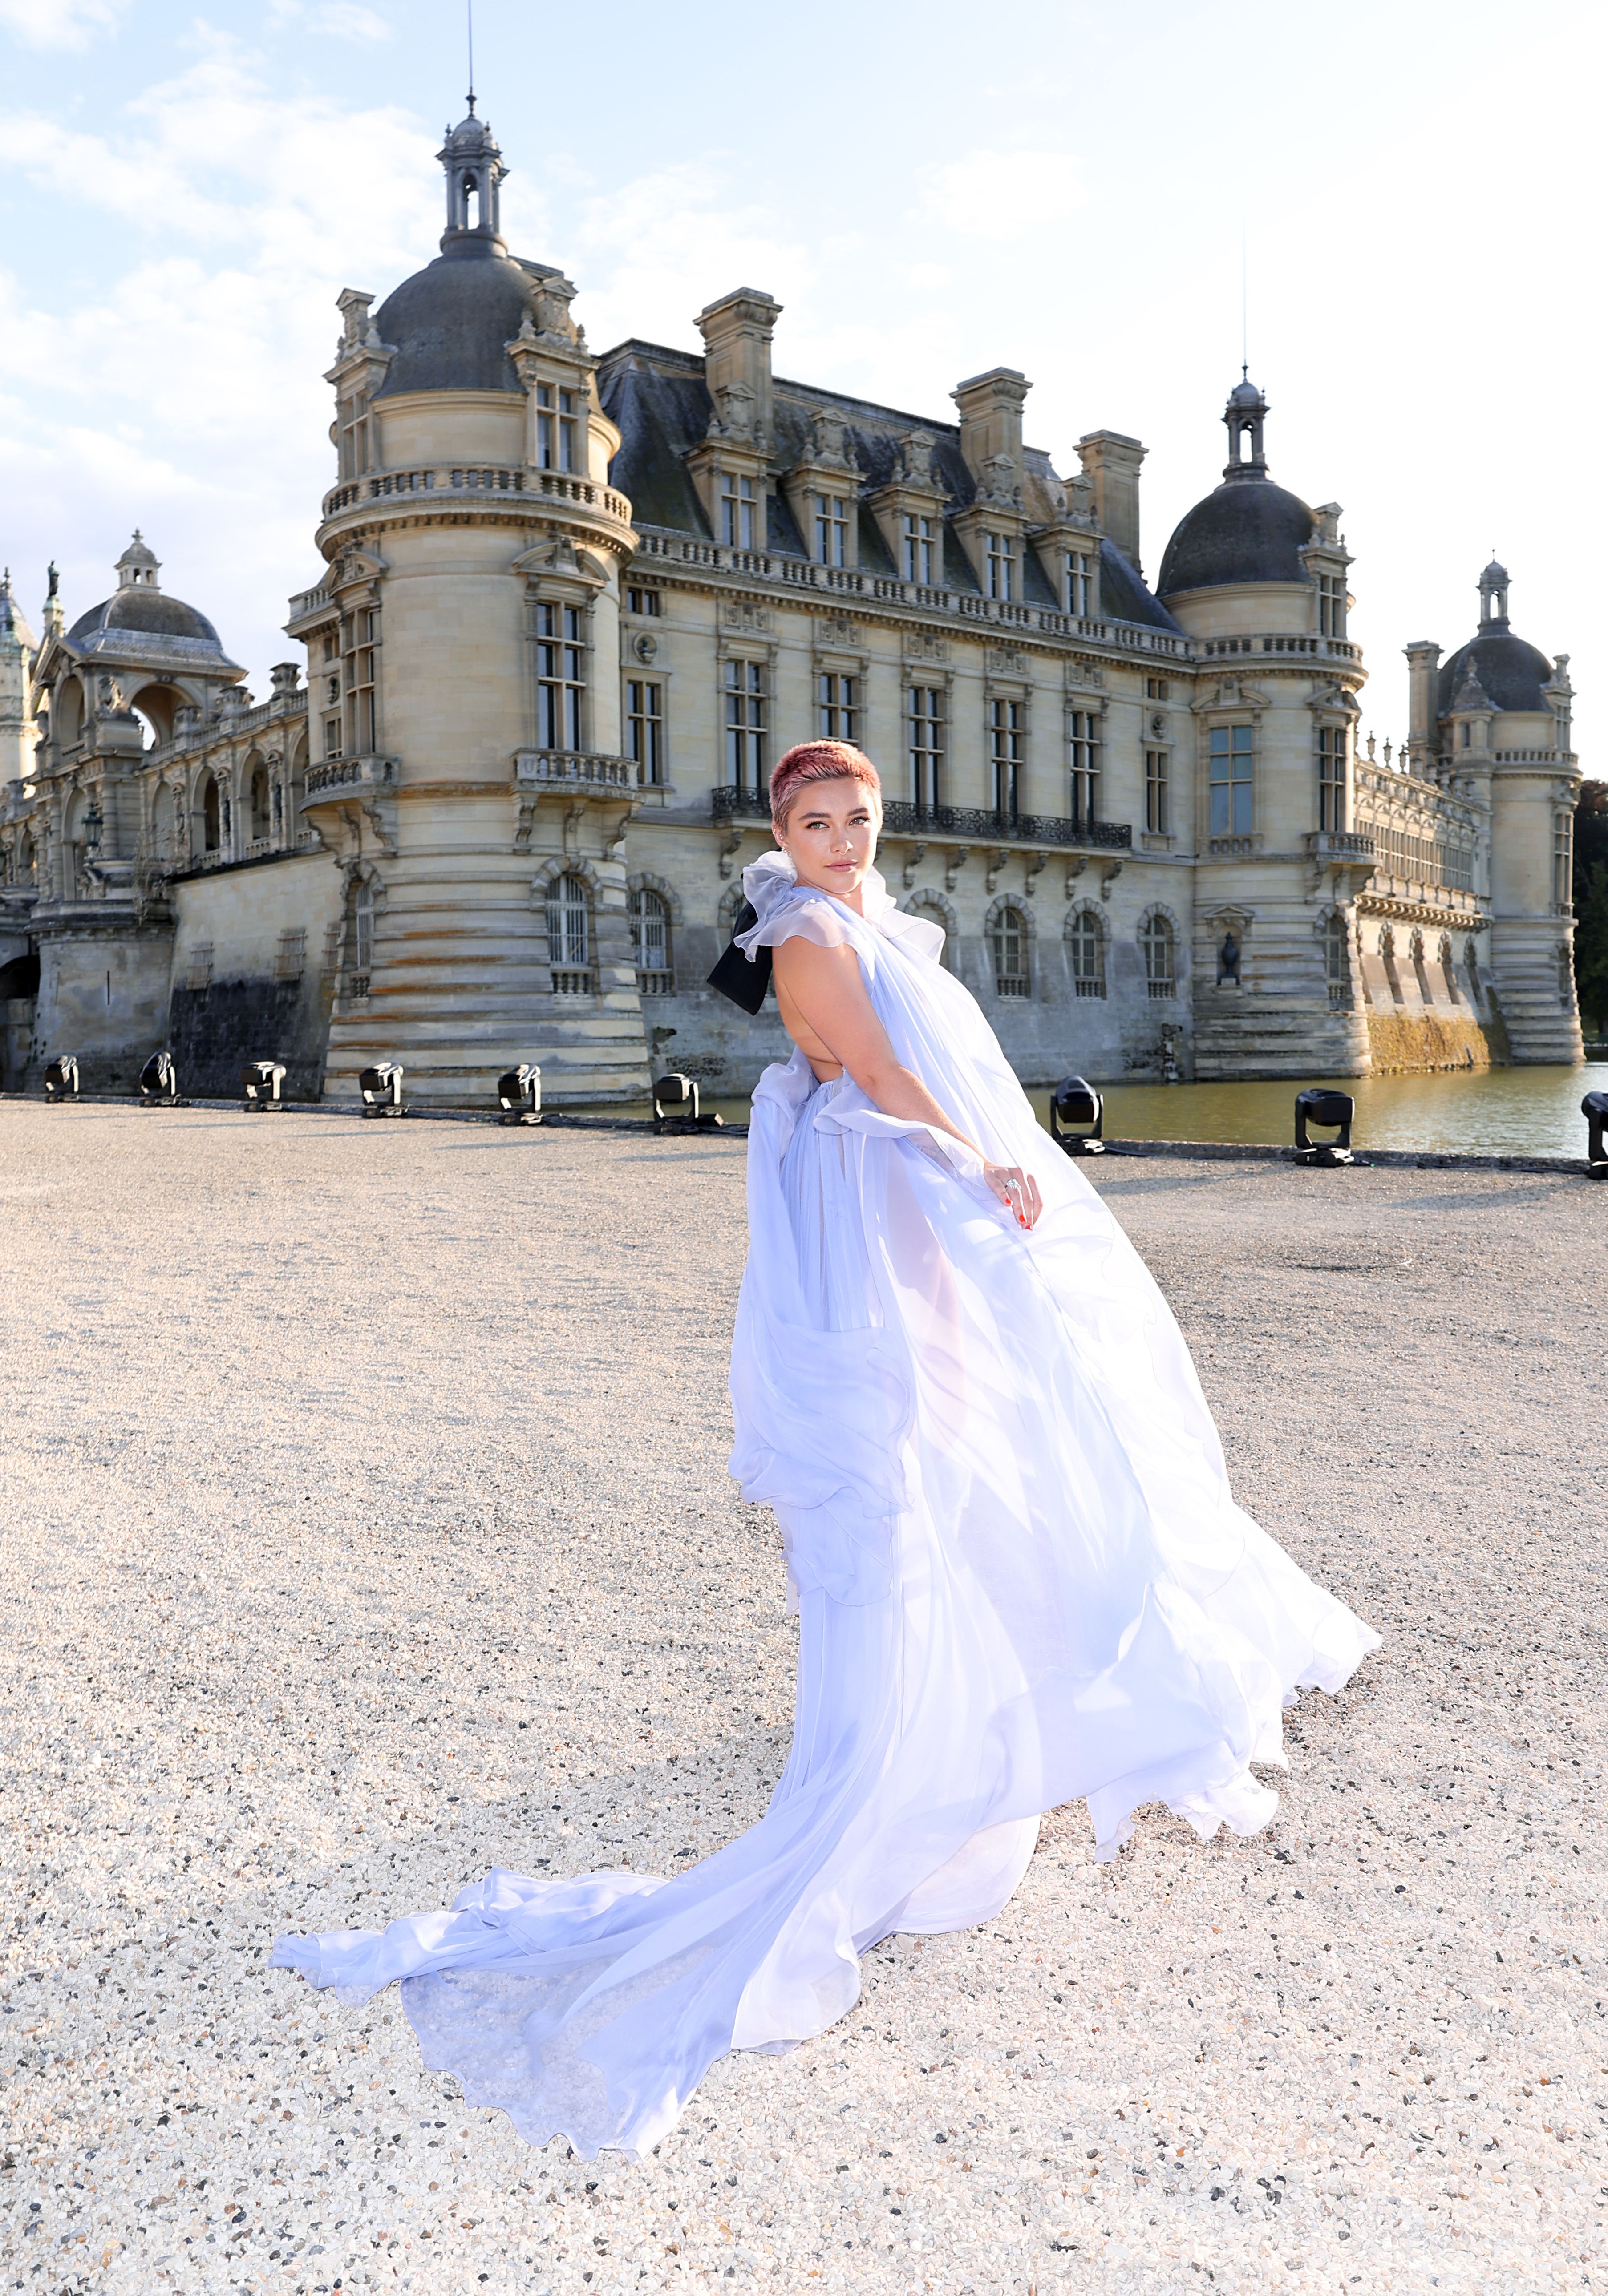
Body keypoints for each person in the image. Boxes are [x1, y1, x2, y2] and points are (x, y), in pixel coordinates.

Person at [271, 739, 1377, 2159]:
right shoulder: (801, 937)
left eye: (858, 815)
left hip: (899, 1210)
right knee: (926, 1462)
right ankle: (904, 1745)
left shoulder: (844, 919)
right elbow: (871, 1074)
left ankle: (972, 1699)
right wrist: (986, 1160)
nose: (843, 837)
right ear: (778, 832)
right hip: (891, 1209)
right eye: (816, 820)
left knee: (976, 1448)